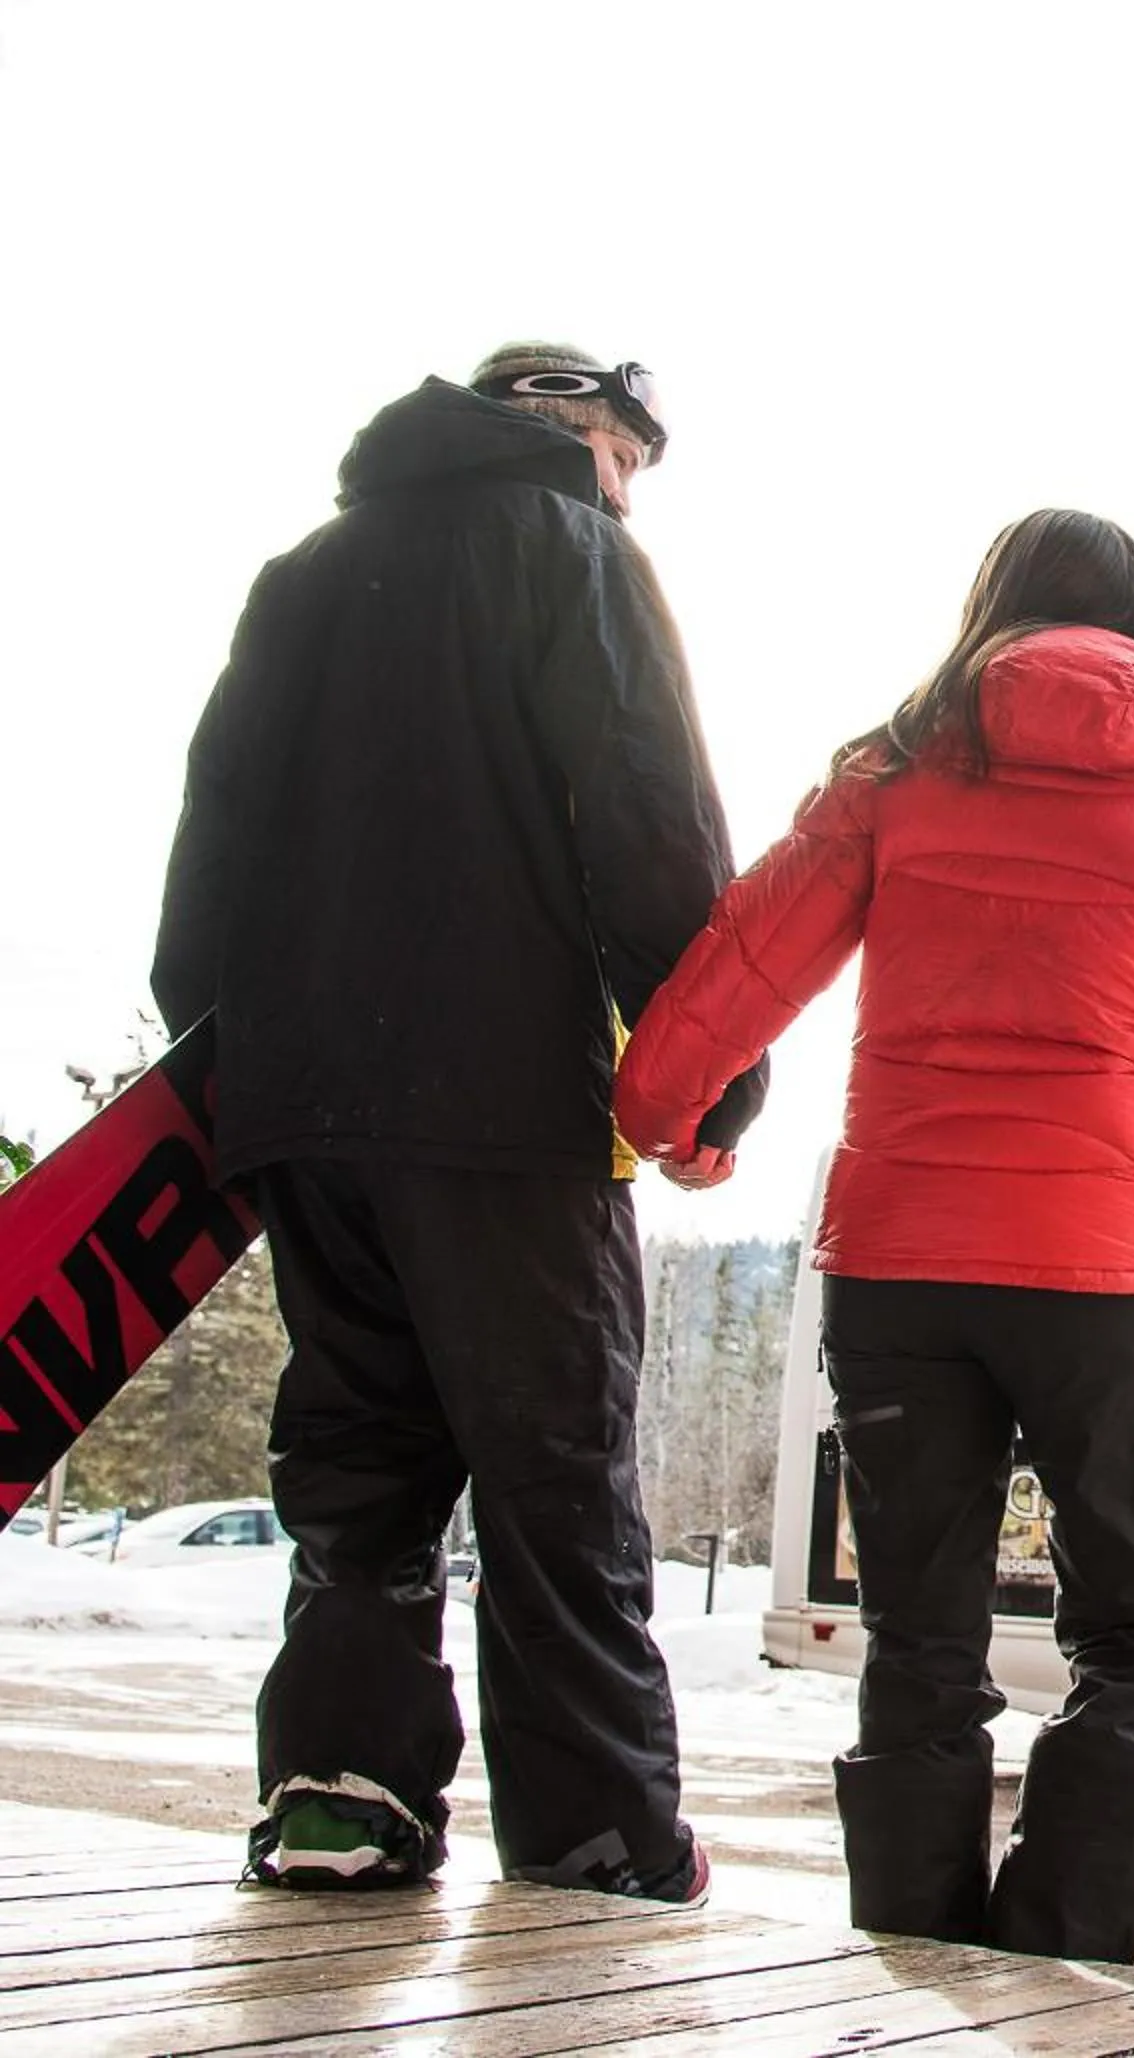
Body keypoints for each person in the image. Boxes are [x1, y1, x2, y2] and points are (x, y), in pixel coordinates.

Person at [613, 507, 1134, 1962]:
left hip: (900, 1261)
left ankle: (917, 1961)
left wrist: (666, 1105)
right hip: (1109, 1279)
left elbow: (754, 947)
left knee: (920, 1641)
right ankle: (1053, 1948)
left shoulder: (896, 769)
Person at [152, 344, 764, 1899]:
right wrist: (707, 1079)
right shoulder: (579, 556)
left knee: (359, 1460)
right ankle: (597, 1839)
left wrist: (231, 1068)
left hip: (305, 1107)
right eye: (626, 454)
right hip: (503, 1108)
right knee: (555, 1469)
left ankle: (342, 1795)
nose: (629, 487)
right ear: (571, 431)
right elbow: (650, 824)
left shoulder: (304, 576)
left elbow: (208, 836)